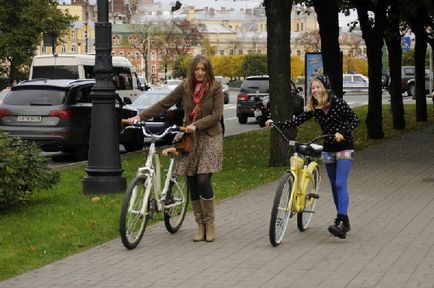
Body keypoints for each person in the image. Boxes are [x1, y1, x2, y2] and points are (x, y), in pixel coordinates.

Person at [126, 55, 224, 242]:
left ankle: (210, 224)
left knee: (203, 179)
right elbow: (164, 103)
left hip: (210, 136)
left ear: (208, 70)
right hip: (189, 137)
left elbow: (217, 115)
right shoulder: (186, 86)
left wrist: (197, 124)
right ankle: (200, 225)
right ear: (192, 71)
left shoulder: (215, 87)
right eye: (197, 69)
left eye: (203, 69)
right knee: (192, 180)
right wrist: (141, 117)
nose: (200, 73)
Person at [265, 75, 359, 239]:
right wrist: (275, 123)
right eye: (313, 88)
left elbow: (355, 120)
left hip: (344, 148)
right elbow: (296, 121)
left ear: (325, 88)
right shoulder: (315, 108)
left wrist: (342, 133)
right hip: (329, 149)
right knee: (334, 186)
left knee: (340, 183)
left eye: (318, 87)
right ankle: (342, 220)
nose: (315, 90)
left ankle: (342, 221)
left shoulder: (338, 104)